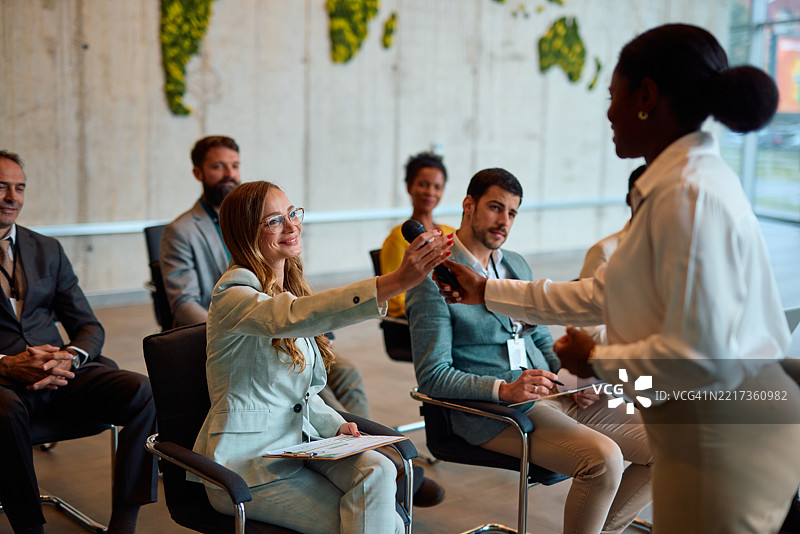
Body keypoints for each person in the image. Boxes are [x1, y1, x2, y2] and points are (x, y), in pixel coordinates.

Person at [435, 24, 800, 533]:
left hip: (722, 441)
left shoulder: (686, 197)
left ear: (646, 96)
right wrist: (485, 290)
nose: (608, 113)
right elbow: (600, 294)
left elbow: (699, 357)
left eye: (614, 97)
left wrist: (595, 361)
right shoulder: (677, 187)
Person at [192, 180, 451, 533]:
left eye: (291, 213)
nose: (291, 225)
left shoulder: (289, 289)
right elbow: (293, 316)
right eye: (273, 221)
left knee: (381, 469)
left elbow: (300, 395)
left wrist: (334, 424)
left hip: (298, 447)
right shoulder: (232, 296)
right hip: (246, 468)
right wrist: (394, 282)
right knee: (384, 523)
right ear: (245, 233)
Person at [407, 168, 652, 534]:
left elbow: (536, 337)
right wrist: (503, 390)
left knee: (669, 442)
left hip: (554, 392)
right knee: (604, 459)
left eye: (512, 213)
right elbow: (432, 375)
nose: (504, 221)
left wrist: (568, 378)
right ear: (468, 205)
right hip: (498, 409)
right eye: (495, 207)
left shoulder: (515, 265)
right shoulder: (434, 280)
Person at [0, 150, 158, 534]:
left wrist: (69, 357)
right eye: (2, 187)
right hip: (3, 383)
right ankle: (28, 527)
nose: (13, 197)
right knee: (4, 412)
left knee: (143, 391)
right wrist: (6, 364)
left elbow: (88, 325)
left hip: (59, 372)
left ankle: (124, 518)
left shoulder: (47, 249)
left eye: (19, 188)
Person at [380, 151, 456, 318]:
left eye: (437, 186)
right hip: (420, 319)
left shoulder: (452, 233)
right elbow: (393, 301)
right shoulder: (398, 239)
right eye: (423, 184)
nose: (430, 192)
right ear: (409, 187)